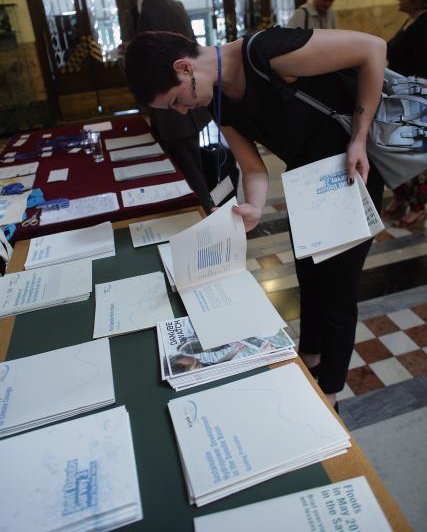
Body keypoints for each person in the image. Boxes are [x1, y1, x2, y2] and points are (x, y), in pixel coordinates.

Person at [125, 25, 386, 411]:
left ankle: (328, 396)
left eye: (177, 100)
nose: (183, 110)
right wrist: (255, 206)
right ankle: (310, 361)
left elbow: (373, 46)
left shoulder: (267, 51)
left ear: (184, 68)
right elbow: (254, 168)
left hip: (350, 172)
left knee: (337, 290)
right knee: (310, 276)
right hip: (306, 183)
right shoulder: (220, 104)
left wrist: (359, 138)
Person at [107, 0, 212, 212]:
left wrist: (129, 56)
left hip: (175, 114)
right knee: (194, 173)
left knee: (192, 181)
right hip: (189, 110)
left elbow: (158, 70)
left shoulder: (150, 12)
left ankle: (210, 228)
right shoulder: (173, 4)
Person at [383, 0, 427, 227]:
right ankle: (402, 197)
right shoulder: (411, 21)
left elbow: (423, 70)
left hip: (414, 100)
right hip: (398, 97)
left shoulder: (424, 24)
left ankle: (418, 206)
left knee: (414, 156)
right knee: (395, 152)